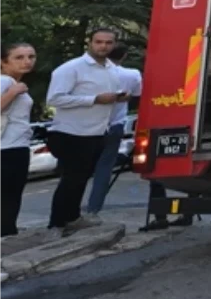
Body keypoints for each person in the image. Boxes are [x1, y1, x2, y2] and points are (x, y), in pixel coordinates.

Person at [45, 28, 126, 233]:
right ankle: (56, 223)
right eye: (99, 42)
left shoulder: (111, 69)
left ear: (114, 44)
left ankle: (72, 217)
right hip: (71, 133)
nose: (103, 46)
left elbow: (106, 98)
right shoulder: (72, 68)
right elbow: (54, 99)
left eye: (108, 43)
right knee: (70, 179)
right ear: (90, 43)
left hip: (97, 132)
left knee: (81, 178)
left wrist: (118, 97)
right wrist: (94, 99)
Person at [86, 42, 141, 215]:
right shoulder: (131, 75)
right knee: (104, 169)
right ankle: (93, 209)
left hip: (87, 126)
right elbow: (138, 95)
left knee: (78, 169)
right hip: (114, 126)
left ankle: (69, 209)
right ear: (124, 56)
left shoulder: (89, 73)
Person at [0, 43, 37, 237]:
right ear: (3, 62)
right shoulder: (5, 82)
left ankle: (7, 233)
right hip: (8, 148)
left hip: (14, 146)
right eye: (19, 57)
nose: (27, 61)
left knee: (10, 197)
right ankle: (6, 236)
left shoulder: (12, 82)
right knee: (9, 197)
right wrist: (13, 92)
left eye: (31, 57)